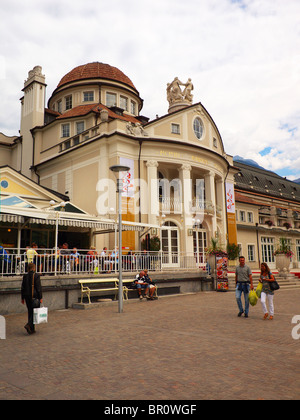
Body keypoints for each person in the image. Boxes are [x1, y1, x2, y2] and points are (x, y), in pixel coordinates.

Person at [21, 263, 43, 335]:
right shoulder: (36, 276)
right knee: (35, 312)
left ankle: (31, 329)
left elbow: (22, 287)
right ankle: (29, 324)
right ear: (34, 268)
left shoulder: (25, 276)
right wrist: (40, 297)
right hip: (34, 296)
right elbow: (38, 287)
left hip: (26, 296)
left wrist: (22, 297)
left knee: (30, 311)